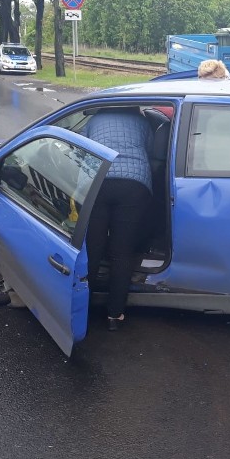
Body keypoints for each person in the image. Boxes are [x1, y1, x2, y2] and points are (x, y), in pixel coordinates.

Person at [83, 107, 154, 331]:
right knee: (122, 252)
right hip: (134, 185)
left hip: (99, 181)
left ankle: (82, 309)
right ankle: (115, 315)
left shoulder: (94, 120)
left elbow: (81, 149)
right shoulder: (142, 121)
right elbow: (151, 150)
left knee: (93, 249)